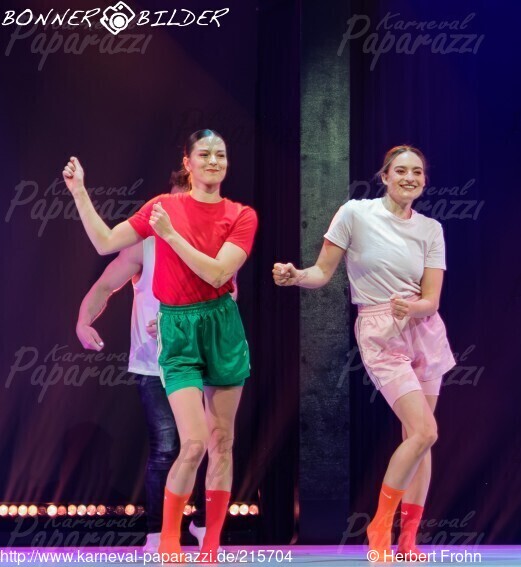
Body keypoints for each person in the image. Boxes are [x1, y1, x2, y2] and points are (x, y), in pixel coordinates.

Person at [63, 129, 258, 562]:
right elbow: (105, 244)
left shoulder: (241, 214)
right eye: (204, 154)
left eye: (220, 154)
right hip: (176, 333)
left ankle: (211, 544)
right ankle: (166, 538)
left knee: (222, 442)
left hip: (222, 329)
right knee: (190, 444)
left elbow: (218, 275)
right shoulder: (161, 209)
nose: (213, 161)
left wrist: (171, 236)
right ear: (187, 163)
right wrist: (79, 192)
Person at [273, 145, 456, 561]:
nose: (410, 178)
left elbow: (432, 299)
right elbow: (321, 272)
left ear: (424, 181)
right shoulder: (355, 214)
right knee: (425, 431)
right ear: (385, 176)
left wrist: (413, 308)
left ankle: (408, 540)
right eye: (401, 171)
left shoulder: (430, 229)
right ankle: (379, 526)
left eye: (417, 172)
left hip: (424, 328)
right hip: (380, 329)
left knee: (419, 438)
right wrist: (296, 276)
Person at [75, 179, 207, 553]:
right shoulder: (144, 243)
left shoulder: (209, 246)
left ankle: (199, 522)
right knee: (165, 447)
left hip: (195, 361)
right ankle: (157, 532)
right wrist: (83, 321)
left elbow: (226, 297)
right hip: (152, 365)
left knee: (201, 445)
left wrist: (180, 324)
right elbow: (105, 285)